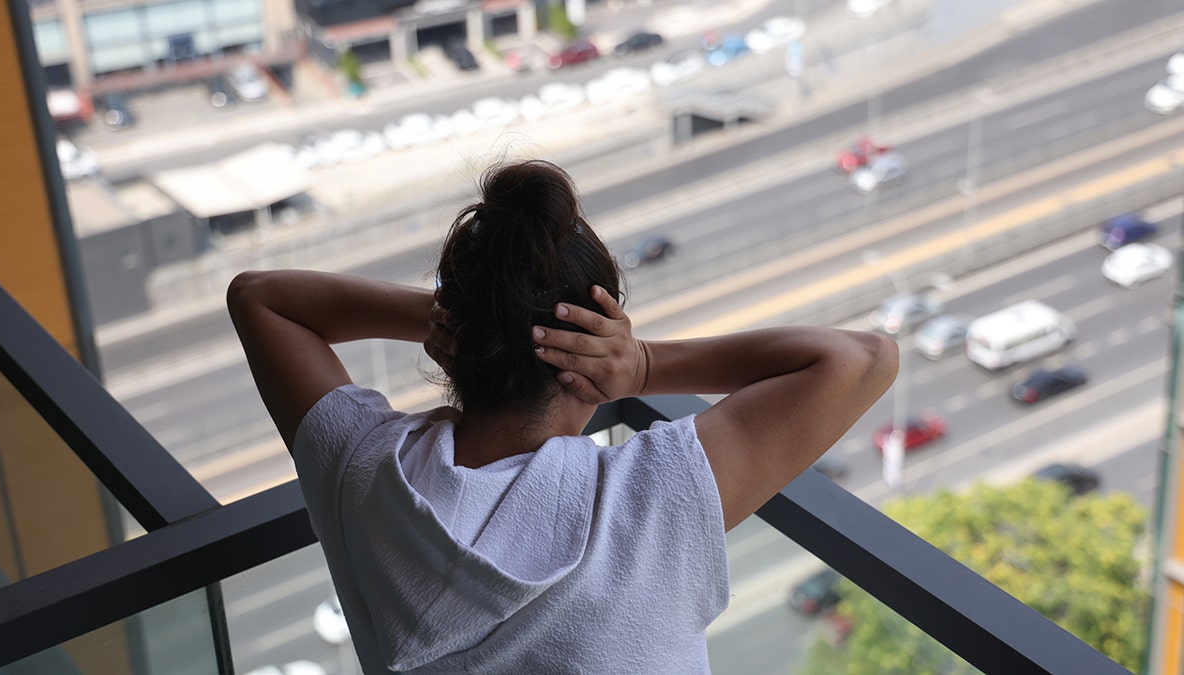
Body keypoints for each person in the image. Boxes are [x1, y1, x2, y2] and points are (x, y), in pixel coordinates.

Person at [227, 159, 897, 673]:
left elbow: (260, 299)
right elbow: (863, 358)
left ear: (457, 341)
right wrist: (644, 366)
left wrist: (470, 316)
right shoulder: (649, 500)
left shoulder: (366, 470)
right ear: (596, 352)